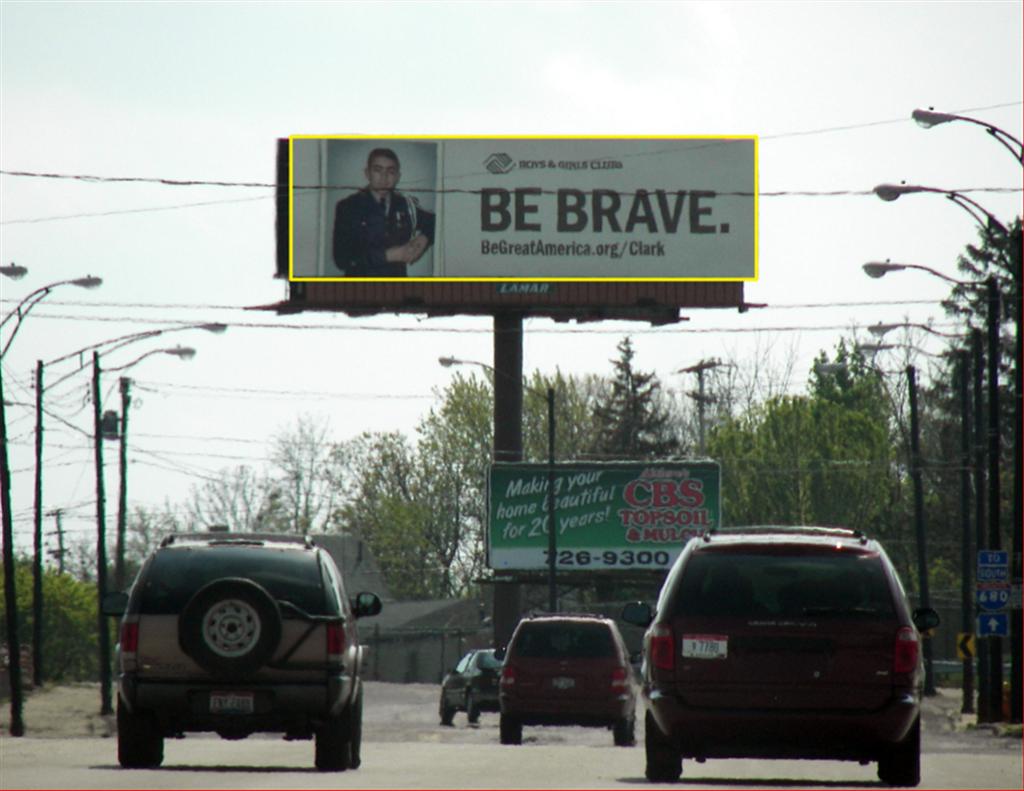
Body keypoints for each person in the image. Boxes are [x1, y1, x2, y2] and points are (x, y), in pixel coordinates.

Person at [332, 148, 436, 277]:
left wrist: (423, 238)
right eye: (378, 170)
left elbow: (435, 221)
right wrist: (388, 256)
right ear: (367, 173)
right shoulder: (348, 207)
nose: (384, 177)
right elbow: (342, 260)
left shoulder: (404, 204)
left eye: (390, 171)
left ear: (398, 176)